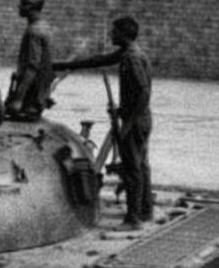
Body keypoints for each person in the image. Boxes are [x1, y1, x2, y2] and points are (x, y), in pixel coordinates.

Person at [49, 16, 153, 229]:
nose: (111, 35)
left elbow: (143, 92)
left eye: (115, 32)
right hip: (140, 118)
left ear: (124, 34)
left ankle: (133, 219)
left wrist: (128, 123)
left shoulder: (132, 58)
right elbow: (99, 61)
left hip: (135, 120)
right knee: (141, 165)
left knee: (132, 169)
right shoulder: (131, 53)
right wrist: (64, 65)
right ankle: (145, 210)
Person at [7, 0, 57, 121]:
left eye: (22, 3)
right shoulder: (44, 26)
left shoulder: (34, 31)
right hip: (38, 95)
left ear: (30, 7)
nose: (19, 6)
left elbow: (33, 67)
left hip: (30, 100)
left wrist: (18, 99)